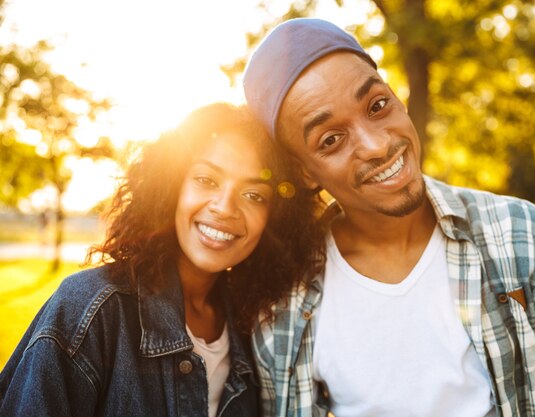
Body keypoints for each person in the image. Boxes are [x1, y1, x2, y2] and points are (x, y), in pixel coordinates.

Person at [242, 18, 535, 417]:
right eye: (331, 140)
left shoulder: (527, 239)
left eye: (377, 105)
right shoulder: (283, 300)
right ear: (304, 172)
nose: (377, 144)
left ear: (398, 97)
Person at [0, 103, 324, 416]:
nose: (224, 207)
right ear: (171, 187)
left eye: (254, 195)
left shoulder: (251, 328)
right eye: (206, 180)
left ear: (275, 220)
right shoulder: (88, 309)